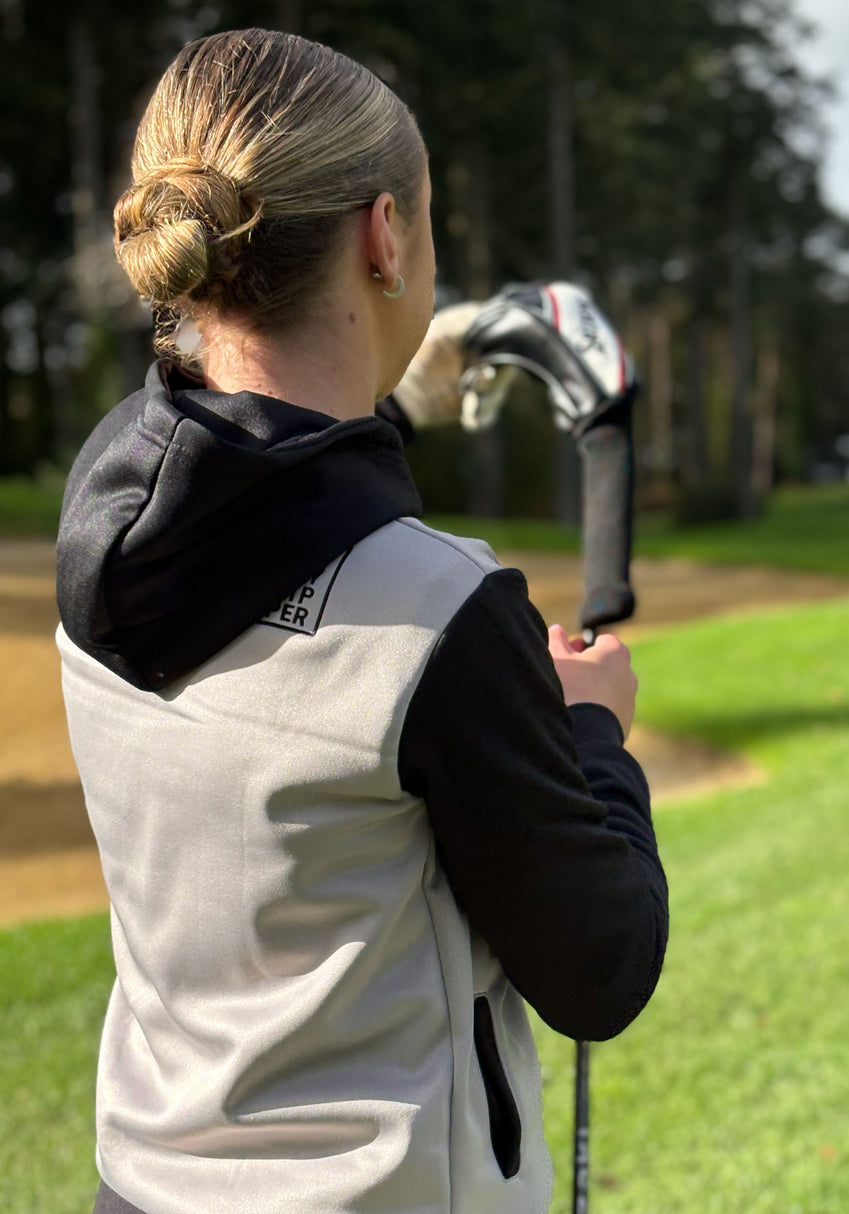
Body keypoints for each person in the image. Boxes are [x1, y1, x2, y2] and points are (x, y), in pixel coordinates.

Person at [55, 28, 668, 1214]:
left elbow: (262, 466)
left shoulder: (104, 518)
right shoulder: (439, 613)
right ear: (384, 236)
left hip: (137, 1184)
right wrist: (593, 734)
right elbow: (599, 968)